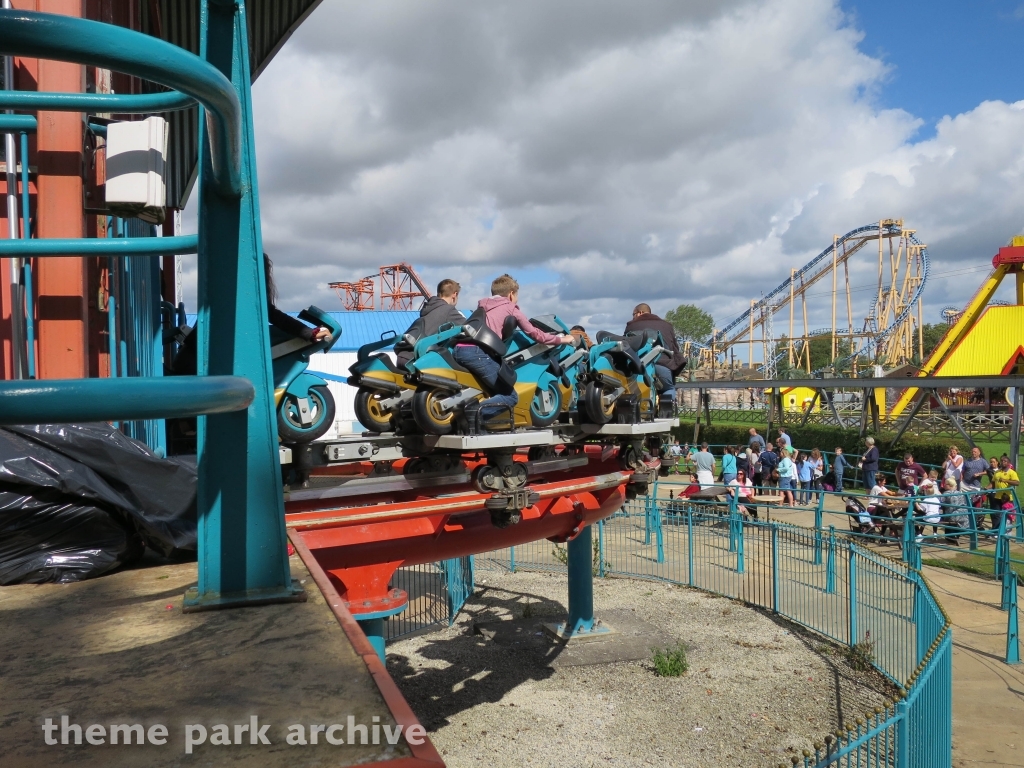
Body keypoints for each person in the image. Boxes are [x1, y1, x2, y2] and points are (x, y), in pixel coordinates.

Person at [458, 274, 573, 426]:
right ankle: (473, 416)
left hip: (460, 349)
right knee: (510, 396)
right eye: (517, 296)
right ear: (511, 294)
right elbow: (535, 334)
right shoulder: (511, 308)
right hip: (478, 353)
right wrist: (562, 339)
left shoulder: (482, 306)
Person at [395, 278, 466, 368]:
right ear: (454, 295)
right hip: (418, 359)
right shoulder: (448, 310)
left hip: (403, 356)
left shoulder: (428, 309)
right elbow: (470, 327)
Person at [624, 303, 685, 402]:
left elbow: (626, 347)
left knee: (632, 391)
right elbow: (674, 348)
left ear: (640, 313)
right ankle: (666, 411)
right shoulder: (667, 326)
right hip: (662, 365)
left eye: (633, 314)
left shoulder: (631, 326)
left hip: (638, 368)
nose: (633, 317)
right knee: (668, 388)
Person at [960, 446, 989, 531]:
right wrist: (961, 481)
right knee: (963, 504)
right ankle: (964, 522)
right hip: (965, 485)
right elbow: (963, 471)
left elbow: (988, 471)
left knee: (973, 504)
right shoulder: (967, 461)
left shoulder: (983, 462)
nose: (973, 453)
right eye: (972, 451)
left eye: (975, 451)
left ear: (979, 452)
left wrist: (979, 474)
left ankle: (974, 524)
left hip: (975, 486)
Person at [992, 456, 1021, 533]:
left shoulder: (1012, 472)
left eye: (1005, 461)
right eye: (1002, 461)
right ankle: (996, 532)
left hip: (1007, 498)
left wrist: (1006, 480)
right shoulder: (997, 472)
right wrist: (985, 489)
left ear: (1008, 463)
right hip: (997, 497)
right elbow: (992, 483)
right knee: (997, 515)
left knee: (1008, 516)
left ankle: (1007, 533)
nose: (1003, 462)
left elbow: (1017, 482)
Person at [941, 477, 970, 545]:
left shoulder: (946, 493)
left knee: (947, 516)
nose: (944, 485)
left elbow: (940, 502)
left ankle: (951, 536)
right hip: (965, 514)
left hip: (954, 515)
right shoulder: (960, 492)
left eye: (945, 484)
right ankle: (955, 536)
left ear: (950, 485)